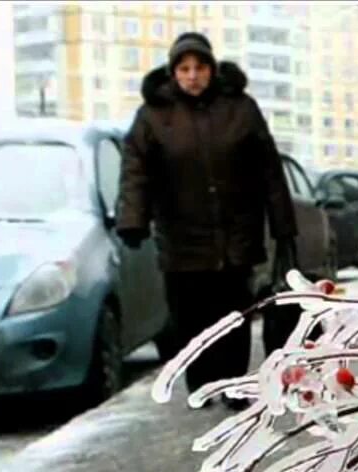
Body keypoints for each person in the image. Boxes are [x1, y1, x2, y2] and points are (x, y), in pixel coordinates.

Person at [116, 32, 298, 411]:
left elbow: (268, 169)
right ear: (173, 73)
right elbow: (136, 171)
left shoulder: (240, 108)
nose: (193, 75)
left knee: (234, 315)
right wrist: (131, 219)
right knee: (190, 316)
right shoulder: (153, 116)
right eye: (184, 69)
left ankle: (232, 384)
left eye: (200, 67)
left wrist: (284, 226)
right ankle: (201, 383)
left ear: (212, 70)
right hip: (181, 237)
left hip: (236, 233)